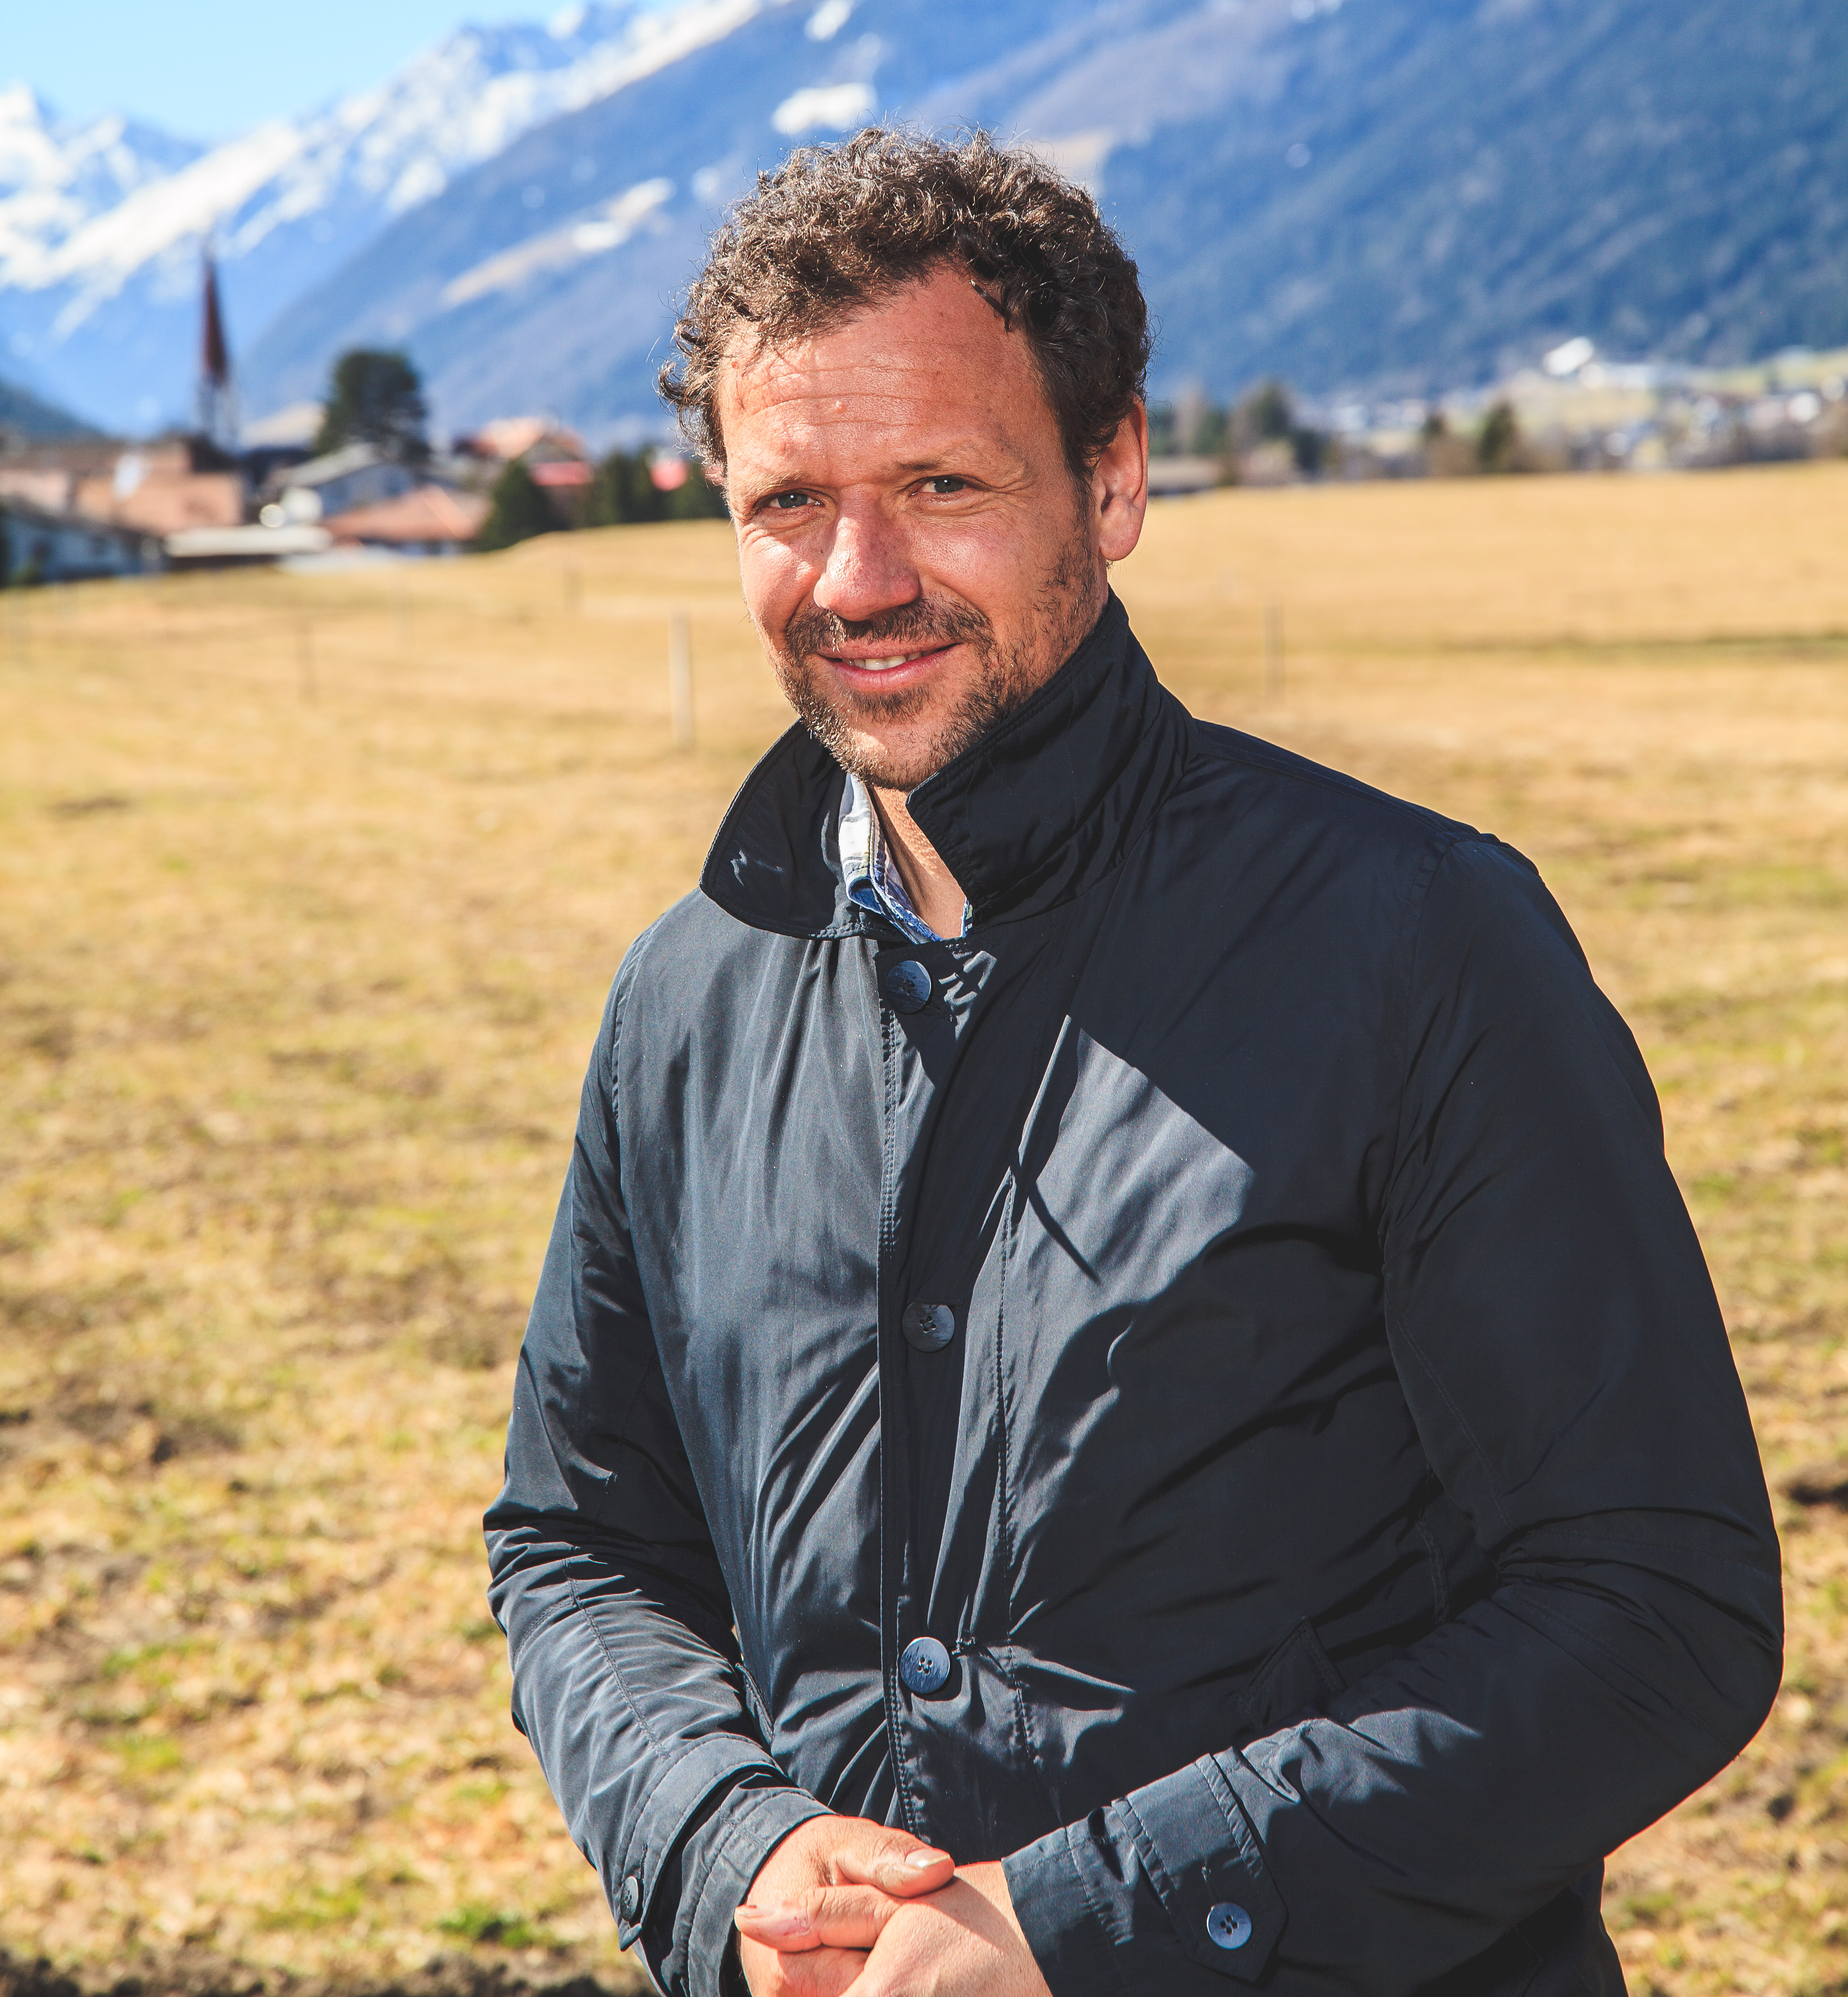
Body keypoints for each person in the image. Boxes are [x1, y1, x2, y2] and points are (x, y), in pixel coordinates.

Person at [485, 132, 1780, 1997]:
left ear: (1114, 480)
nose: (856, 578)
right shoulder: (682, 1001)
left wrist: (1084, 1928)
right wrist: (726, 1845)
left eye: (941, 484)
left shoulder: (1421, 942)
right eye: (788, 503)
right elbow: (581, 1546)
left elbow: (1656, 1607)